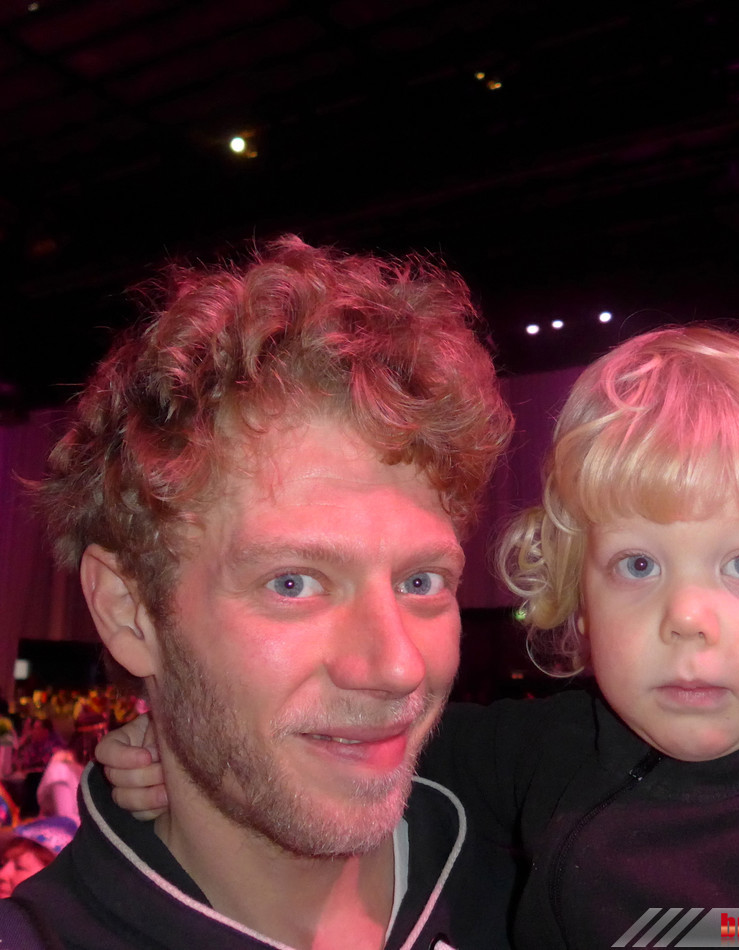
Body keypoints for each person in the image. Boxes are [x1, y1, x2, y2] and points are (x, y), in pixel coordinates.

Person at [100, 326, 739, 948]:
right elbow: (324, 743)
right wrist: (166, 743)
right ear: (577, 593)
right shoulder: (535, 753)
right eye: (637, 565)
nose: (686, 616)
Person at [2, 238, 515, 950]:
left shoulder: (542, 861)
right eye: (293, 583)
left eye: (420, 582)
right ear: (129, 611)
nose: (397, 667)